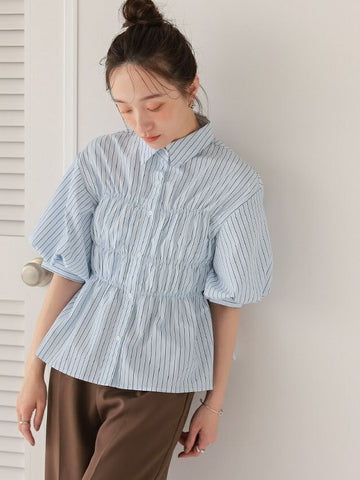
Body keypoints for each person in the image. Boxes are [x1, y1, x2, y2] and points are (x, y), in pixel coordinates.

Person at [16, 0, 273, 478]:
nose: (141, 124)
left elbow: (227, 300)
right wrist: (34, 371)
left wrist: (213, 404)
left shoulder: (232, 183)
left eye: (154, 106)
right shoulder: (100, 159)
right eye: (124, 109)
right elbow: (68, 271)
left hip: (161, 378)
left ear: (191, 88)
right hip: (75, 360)